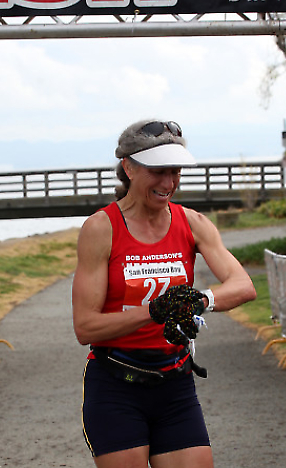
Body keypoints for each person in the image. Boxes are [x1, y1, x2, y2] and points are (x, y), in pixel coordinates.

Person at [72, 119, 257, 468]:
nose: (168, 183)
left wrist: (199, 300)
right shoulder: (101, 228)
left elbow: (243, 285)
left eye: (175, 172)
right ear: (128, 168)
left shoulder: (192, 222)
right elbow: (85, 327)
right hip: (116, 387)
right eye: (157, 171)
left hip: (175, 384)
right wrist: (155, 312)